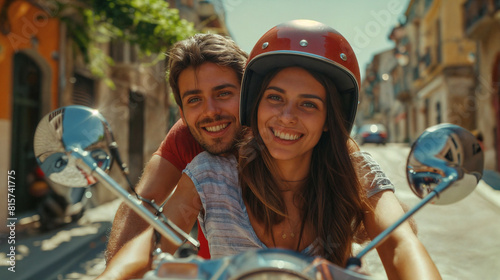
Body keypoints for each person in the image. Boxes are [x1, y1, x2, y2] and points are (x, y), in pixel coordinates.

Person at [99, 20, 440, 280]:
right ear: (257, 103)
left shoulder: (352, 167)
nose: (287, 118)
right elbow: (148, 236)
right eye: (275, 98)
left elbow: (400, 244)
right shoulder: (207, 169)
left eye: (308, 104)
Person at [105, 33, 248, 260]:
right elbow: (144, 203)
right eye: (194, 99)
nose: (210, 111)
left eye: (223, 93)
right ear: (181, 112)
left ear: (249, 95)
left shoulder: (278, 134)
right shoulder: (187, 134)